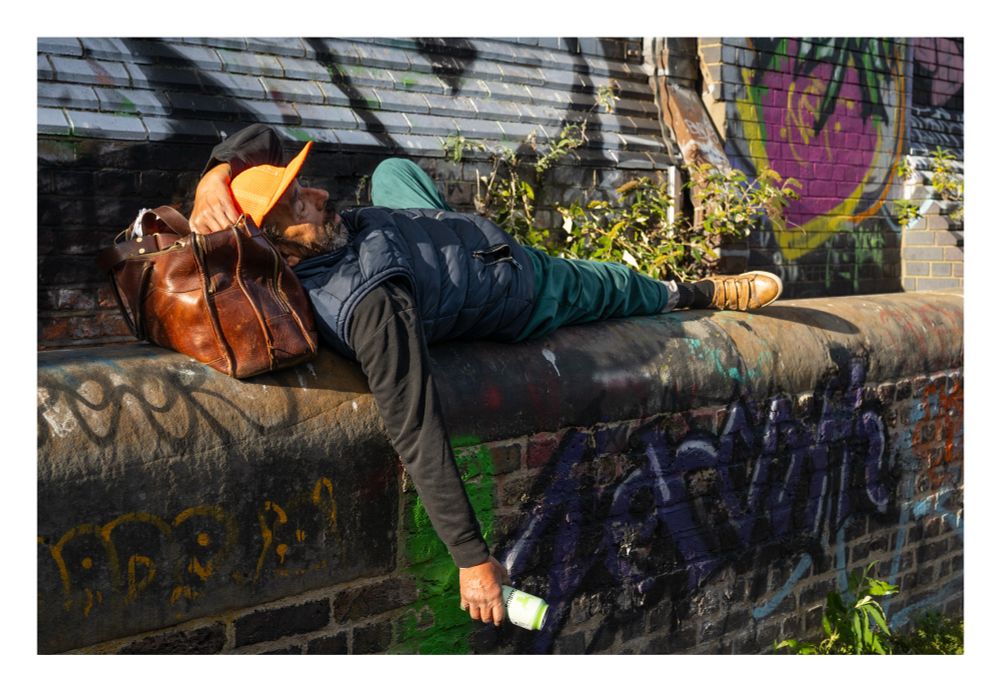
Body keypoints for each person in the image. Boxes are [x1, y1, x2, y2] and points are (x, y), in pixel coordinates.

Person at [188, 124, 782, 628]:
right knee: (606, 285)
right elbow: (414, 427)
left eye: (304, 187)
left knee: (393, 167)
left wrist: (212, 176)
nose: (318, 194)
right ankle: (692, 292)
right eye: (299, 203)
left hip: (430, 240)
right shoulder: (373, 307)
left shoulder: (314, 237)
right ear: (277, 245)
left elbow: (259, 138)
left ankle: (472, 232)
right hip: (511, 283)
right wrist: (473, 562)